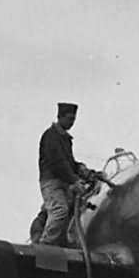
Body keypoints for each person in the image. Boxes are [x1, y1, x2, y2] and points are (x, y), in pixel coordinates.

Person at [36, 102, 100, 246]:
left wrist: (86, 172)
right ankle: (45, 245)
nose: (72, 123)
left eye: (74, 119)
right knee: (60, 211)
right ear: (60, 117)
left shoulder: (65, 139)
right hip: (52, 182)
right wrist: (74, 181)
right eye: (70, 119)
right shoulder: (50, 136)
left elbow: (69, 163)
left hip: (65, 182)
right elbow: (58, 163)